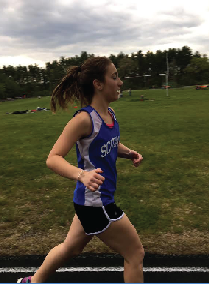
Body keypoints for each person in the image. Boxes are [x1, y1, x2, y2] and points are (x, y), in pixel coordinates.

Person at [17, 57, 144, 283]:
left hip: (88, 201)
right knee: (135, 254)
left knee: (70, 248)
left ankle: (32, 282)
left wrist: (128, 152)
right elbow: (53, 158)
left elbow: (110, 143)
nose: (120, 82)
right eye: (114, 77)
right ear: (98, 84)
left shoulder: (110, 114)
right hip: (97, 203)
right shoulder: (84, 119)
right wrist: (81, 174)